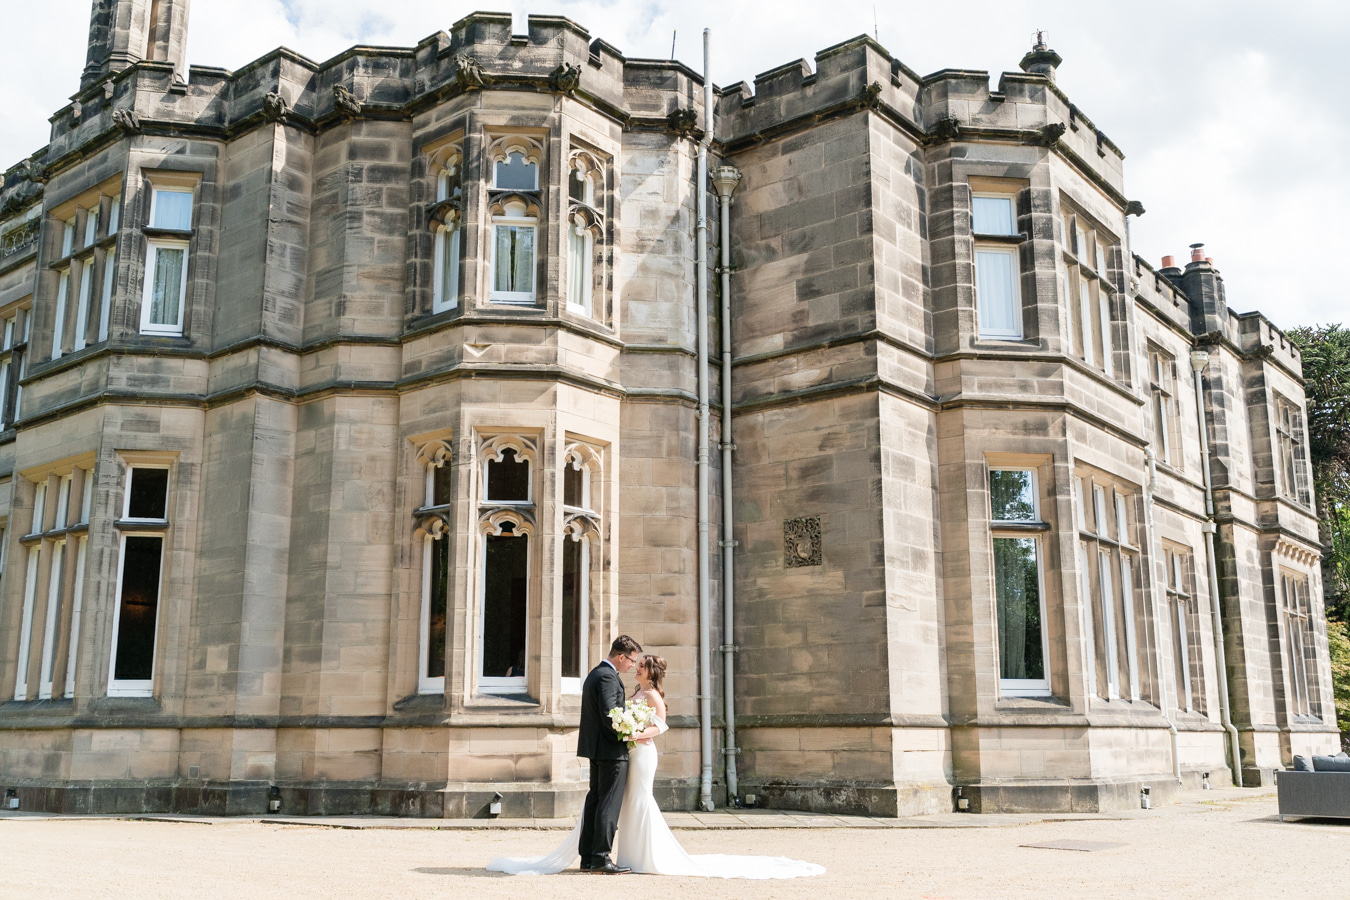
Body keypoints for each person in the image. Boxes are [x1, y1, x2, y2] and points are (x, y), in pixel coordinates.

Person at [487, 652, 824, 879]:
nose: (636, 667)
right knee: (625, 803)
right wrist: (627, 731)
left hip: (641, 752)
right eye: (635, 663)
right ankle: (624, 855)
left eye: (641, 665)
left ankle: (643, 856)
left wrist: (636, 731)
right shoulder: (634, 690)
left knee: (638, 801)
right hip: (627, 750)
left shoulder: (653, 696)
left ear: (651, 672)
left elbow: (661, 726)